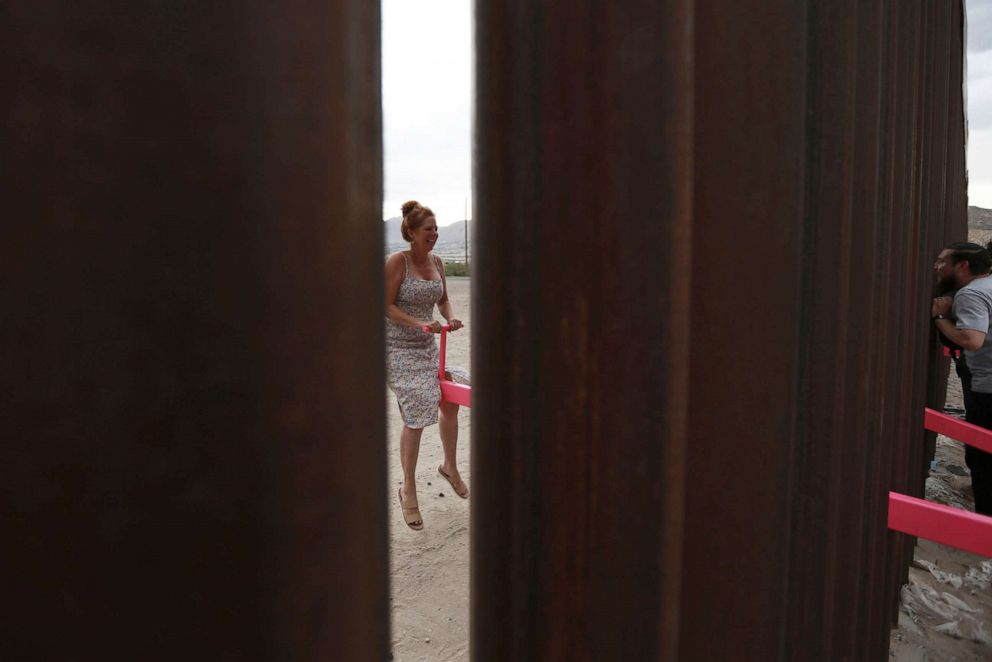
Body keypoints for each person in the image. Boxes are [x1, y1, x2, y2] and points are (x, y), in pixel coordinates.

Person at [385, 200, 471, 530]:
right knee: (420, 405)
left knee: (451, 396)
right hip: (399, 347)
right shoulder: (397, 262)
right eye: (428, 229)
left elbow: (444, 299)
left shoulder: (437, 261)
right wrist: (419, 323)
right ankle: (408, 488)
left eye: (436, 229)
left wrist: (451, 317)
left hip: (428, 344)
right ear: (410, 232)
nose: (434, 234)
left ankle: (449, 466)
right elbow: (387, 307)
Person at [932, 242, 992, 515]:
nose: (937, 266)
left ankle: (984, 526)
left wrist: (941, 316)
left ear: (962, 266)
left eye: (943, 261)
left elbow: (972, 340)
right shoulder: (989, 285)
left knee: (984, 459)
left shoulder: (971, 294)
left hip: (988, 390)